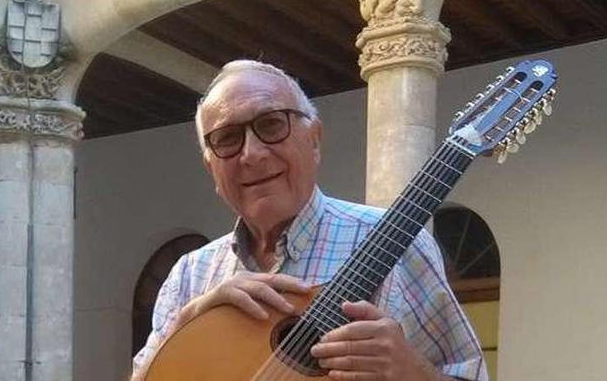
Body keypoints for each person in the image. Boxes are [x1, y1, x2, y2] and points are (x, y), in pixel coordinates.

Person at [132, 60, 487, 381]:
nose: (251, 154)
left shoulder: (397, 241)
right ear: (212, 167)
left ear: (314, 139)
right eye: (227, 138)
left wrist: (412, 371)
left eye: (271, 125)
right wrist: (188, 319)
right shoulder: (190, 275)